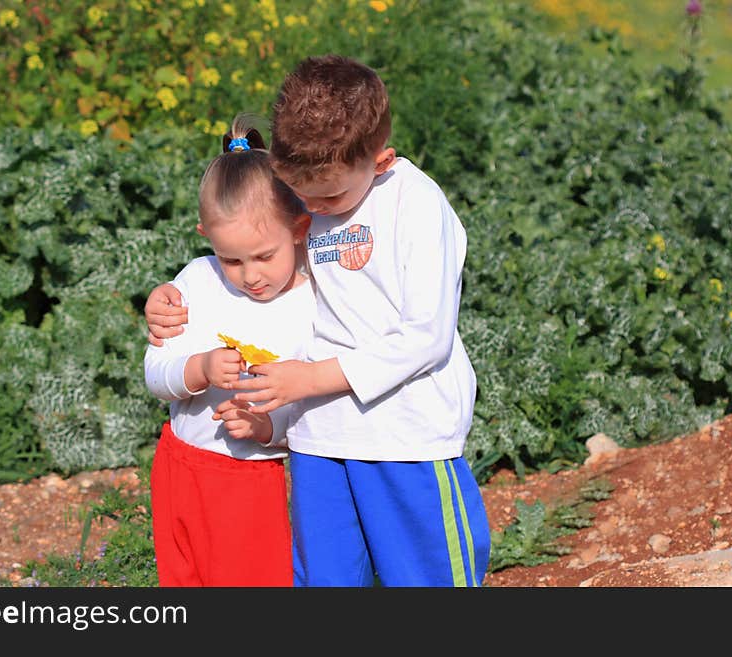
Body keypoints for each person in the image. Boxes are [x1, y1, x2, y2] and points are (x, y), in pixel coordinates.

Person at [144, 55, 489, 587]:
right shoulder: (310, 189)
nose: (312, 209)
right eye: (300, 194)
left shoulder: (415, 205)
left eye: (326, 198)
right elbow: (250, 261)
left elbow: (427, 336)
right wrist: (169, 299)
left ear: (381, 161)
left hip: (406, 434)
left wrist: (309, 378)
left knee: (425, 575)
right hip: (318, 437)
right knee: (324, 579)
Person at [143, 115, 313, 587]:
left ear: (299, 228)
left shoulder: (312, 305)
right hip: (180, 462)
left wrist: (266, 427)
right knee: (182, 577)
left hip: (254, 477)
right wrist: (197, 368)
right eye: (231, 259)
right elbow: (156, 373)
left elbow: (313, 409)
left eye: (264, 256)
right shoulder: (197, 281)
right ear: (206, 237)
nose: (250, 275)